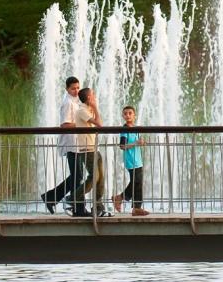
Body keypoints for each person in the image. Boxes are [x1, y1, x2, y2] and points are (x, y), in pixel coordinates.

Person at [41, 76, 86, 215]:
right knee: (77, 176)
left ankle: (53, 198)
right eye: (73, 88)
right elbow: (65, 124)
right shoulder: (68, 103)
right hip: (71, 143)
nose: (76, 90)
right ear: (67, 89)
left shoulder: (76, 101)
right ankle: (77, 207)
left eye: (78, 88)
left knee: (77, 176)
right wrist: (82, 124)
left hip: (76, 143)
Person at [70, 87, 111, 217]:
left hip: (93, 148)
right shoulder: (81, 110)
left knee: (100, 179)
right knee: (94, 177)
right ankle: (74, 197)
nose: (94, 97)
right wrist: (96, 107)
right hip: (87, 149)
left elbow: (98, 123)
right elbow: (99, 124)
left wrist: (93, 107)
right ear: (88, 98)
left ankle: (98, 207)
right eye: (93, 95)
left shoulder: (87, 110)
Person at [113, 106, 149, 216]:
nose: (127, 115)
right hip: (130, 160)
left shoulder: (136, 129)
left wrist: (141, 142)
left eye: (130, 113)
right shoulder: (124, 130)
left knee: (137, 183)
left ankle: (129, 204)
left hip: (138, 159)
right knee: (136, 182)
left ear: (134, 115)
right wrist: (136, 143)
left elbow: (137, 142)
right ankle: (130, 204)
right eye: (125, 114)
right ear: (123, 116)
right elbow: (122, 146)